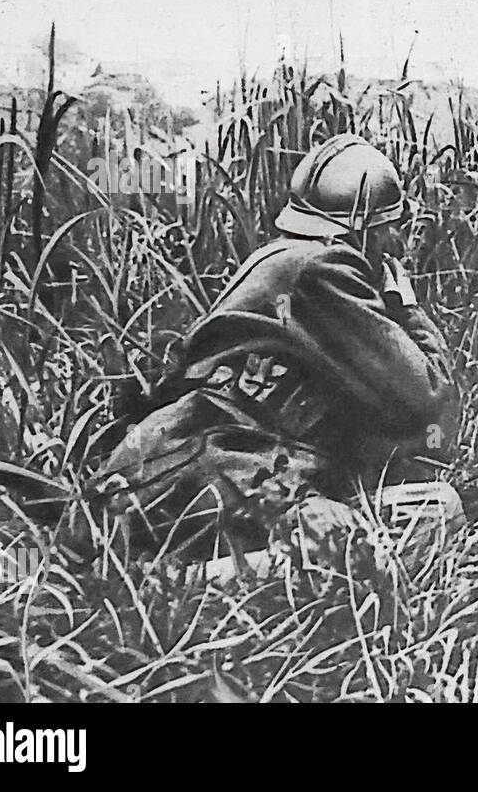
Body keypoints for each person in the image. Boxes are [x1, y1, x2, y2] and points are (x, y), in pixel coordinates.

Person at [91, 134, 456, 568]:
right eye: (389, 226)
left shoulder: (282, 260)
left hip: (188, 467)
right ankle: (171, 583)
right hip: (217, 470)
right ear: (361, 229)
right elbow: (428, 399)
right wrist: (407, 306)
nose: (397, 241)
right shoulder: (323, 272)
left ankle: (161, 573)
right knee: (435, 512)